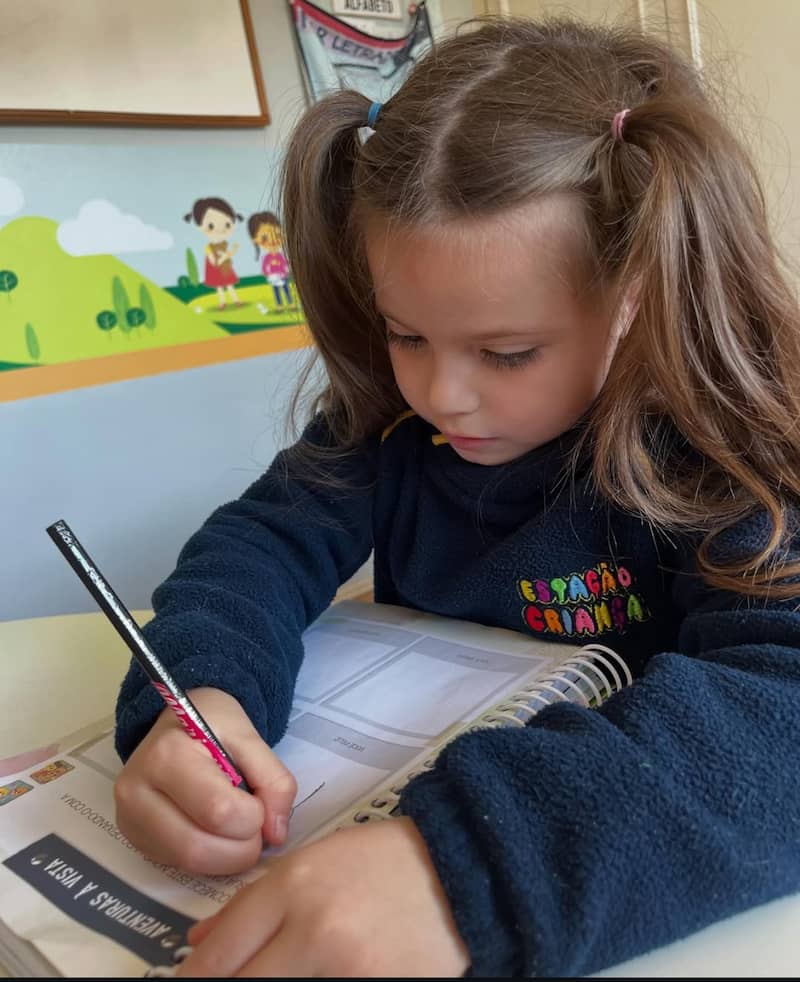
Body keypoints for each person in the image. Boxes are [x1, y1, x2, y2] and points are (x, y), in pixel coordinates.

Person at [114, 15, 800, 978]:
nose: (440, 396)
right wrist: (200, 696)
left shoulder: (719, 456)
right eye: (405, 336)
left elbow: (784, 710)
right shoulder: (388, 433)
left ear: (640, 292)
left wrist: (464, 869)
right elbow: (257, 549)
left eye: (507, 352)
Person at [184, 197, 244, 310]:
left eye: (227, 225)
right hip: (216, 271)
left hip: (226, 268)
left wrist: (232, 251)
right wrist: (225, 256)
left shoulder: (224, 244)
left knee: (230, 286)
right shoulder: (209, 247)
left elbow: (228, 256)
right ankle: (222, 303)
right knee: (220, 287)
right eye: (211, 226)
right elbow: (214, 263)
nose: (220, 230)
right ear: (201, 227)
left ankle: (236, 301)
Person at [248, 210, 294, 309]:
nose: (273, 241)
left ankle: (291, 303)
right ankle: (280, 305)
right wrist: (269, 272)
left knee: (286, 290)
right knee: (277, 291)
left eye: (278, 235)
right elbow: (265, 269)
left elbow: (286, 265)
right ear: (255, 240)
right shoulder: (266, 258)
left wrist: (285, 271)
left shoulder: (282, 256)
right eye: (264, 238)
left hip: (283, 276)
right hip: (274, 277)